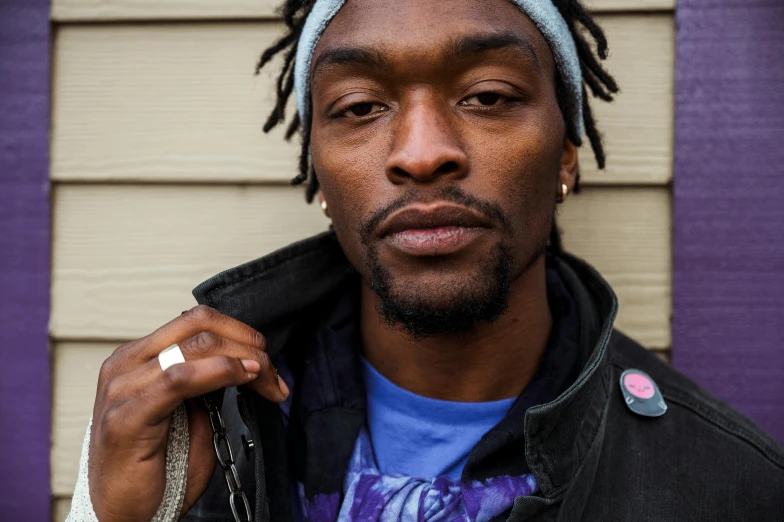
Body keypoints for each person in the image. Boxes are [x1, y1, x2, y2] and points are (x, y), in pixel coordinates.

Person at [67, 0, 784, 521]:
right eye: (358, 107)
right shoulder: (187, 436)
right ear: (317, 172)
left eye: (488, 95)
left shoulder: (725, 485)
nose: (420, 152)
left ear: (567, 154)